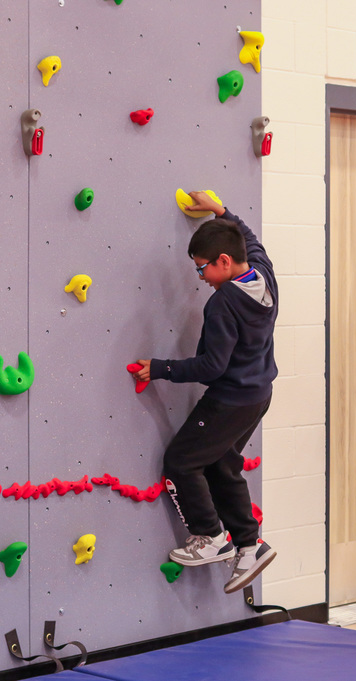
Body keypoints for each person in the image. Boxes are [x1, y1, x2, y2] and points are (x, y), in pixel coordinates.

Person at [131, 191, 278, 594]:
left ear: (224, 262)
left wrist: (161, 368)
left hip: (230, 400)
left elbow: (212, 366)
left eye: (202, 270)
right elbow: (252, 241)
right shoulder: (263, 275)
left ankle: (210, 537)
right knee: (222, 464)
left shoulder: (223, 304)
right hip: (258, 394)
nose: (201, 278)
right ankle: (250, 545)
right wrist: (221, 211)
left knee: (180, 461)